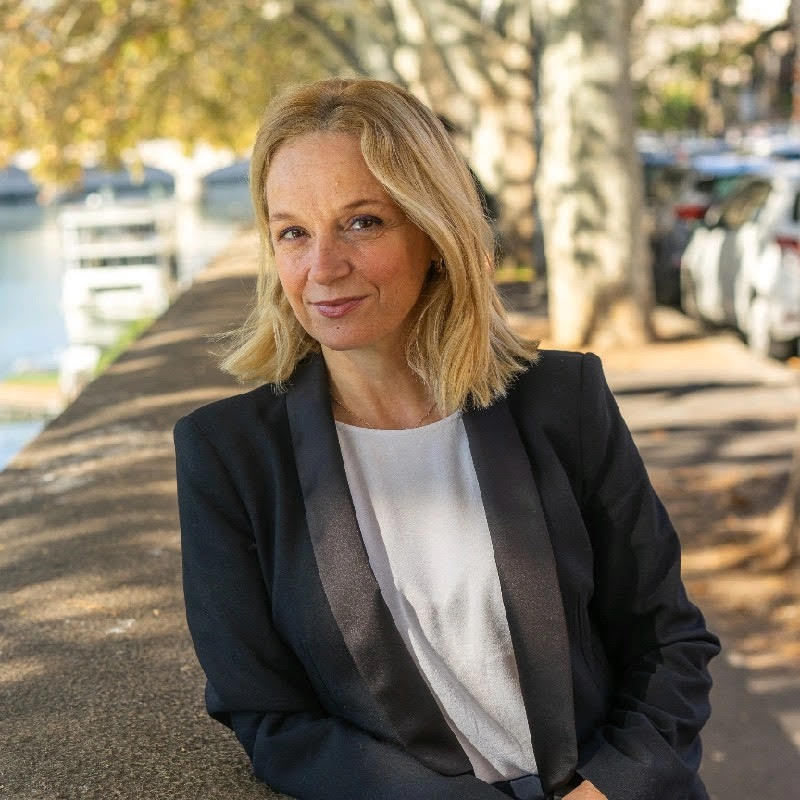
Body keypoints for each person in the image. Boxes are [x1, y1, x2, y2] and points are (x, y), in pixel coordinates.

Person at [173, 78, 720, 800]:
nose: (322, 268)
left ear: (433, 231)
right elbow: (269, 718)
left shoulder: (562, 400)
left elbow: (669, 641)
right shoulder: (227, 455)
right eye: (293, 233)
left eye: (362, 222)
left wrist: (607, 787)